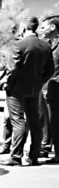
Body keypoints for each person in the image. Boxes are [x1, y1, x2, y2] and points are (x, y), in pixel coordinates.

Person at [0, 16, 54, 167]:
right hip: (34, 89)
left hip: (17, 89)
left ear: (23, 27)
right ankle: (34, 156)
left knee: (18, 121)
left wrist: (5, 83)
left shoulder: (19, 44)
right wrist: (40, 81)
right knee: (34, 122)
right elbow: (50, 70)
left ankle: (15, 156)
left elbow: (12, 68)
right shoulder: (46, 46)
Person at [39, 15, 59, 163]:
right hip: (46, 87)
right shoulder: (47, 43)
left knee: (55, 121)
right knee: (47, 121)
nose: (41, 29)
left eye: (44, 26)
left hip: (55, 87)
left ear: (53, 27)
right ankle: (46, 147)